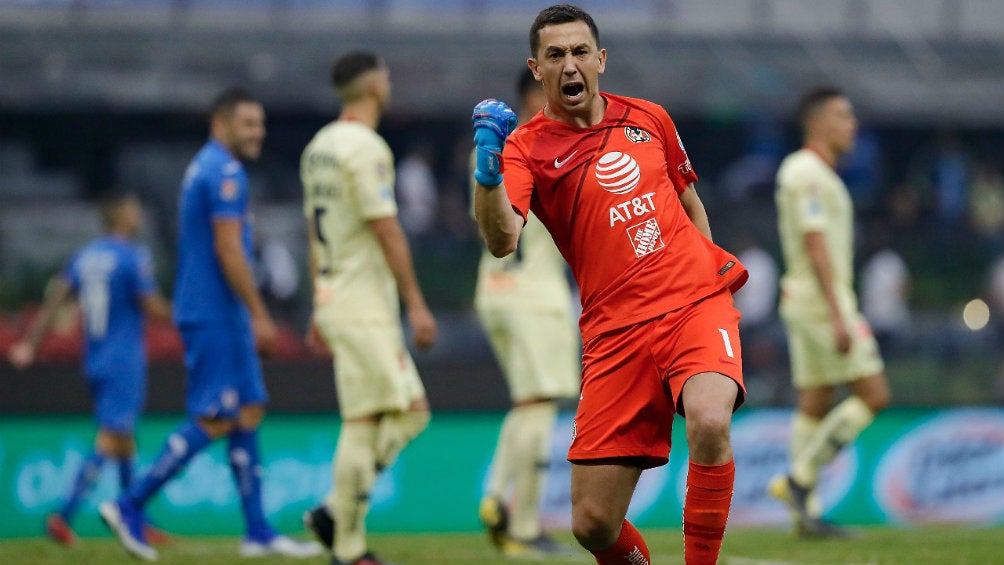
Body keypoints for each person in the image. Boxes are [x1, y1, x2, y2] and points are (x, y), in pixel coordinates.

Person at [471, 5, 749, 565]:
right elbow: (502, 239)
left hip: (693, 305)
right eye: (555, 56)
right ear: (537, 69)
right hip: (615, 332)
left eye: (579, 52)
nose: (569, 65)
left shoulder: (649, 118)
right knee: (593, 523)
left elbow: (689, 200)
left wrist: (707, 277)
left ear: (599, 60)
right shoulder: (526, 148)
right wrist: (488, 172)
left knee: (711, 418)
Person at [99, 88, 321, 561]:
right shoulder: (223, 171)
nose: (257, 132)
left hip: (217, 309)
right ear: (220, 124)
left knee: (248, 411)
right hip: (214, 311)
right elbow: (228, 249)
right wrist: (260, 313)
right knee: (216, 414)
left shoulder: (207, 166)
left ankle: (258, 532)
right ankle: (128, 502)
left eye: (260, 123)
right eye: (247, 124)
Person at [298, 51, 436, 565]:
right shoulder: (366, 148)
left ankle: (338, 523)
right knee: (403, 413)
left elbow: (313, 234)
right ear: (375, 84)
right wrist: (416, 304)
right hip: (363, 304)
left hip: (337, 297)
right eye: (388, 75)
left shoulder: (318, 148)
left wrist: (318, 302)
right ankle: (345, 536)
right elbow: (386, 229)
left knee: (370, 419)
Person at [7, 193, 172, 547]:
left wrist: (30, 344)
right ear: (120, 216)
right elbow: (153, 308)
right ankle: (63, 515)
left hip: (94, 358)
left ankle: (137, 518)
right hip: (123, 359)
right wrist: (190, 318)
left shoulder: (86, 256)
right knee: (112, 437)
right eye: (133, 208)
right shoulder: (132, 256)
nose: (138, 213)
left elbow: (55, 298)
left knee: (124, 440)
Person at [769, 86, 891, 538]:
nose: (851, 124)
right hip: (823, 303)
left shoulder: (813, 171)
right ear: (817, 122)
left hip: (810, 301)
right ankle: (800, 480)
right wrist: (840, 314)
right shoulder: (807, 171)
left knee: (816, 402)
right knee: (874, 394)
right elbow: (814, 242)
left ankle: (808, 514)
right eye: (843, 115)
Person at [473, 67, 580, 558]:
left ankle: (496, 496)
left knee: (524, 402)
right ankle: (523, 523)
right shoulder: (547, 146)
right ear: (536, 94)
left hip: (494, 290)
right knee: (540, 404)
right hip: (536, 295)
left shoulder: (498, 149)